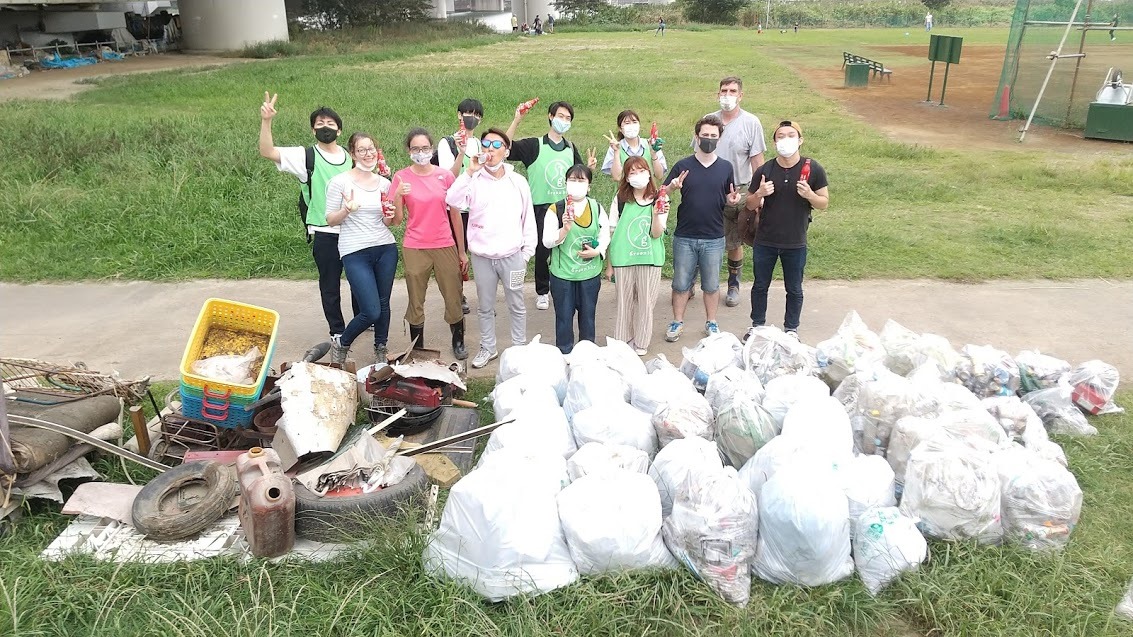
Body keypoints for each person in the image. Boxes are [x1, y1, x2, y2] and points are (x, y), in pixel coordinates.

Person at [258, 93, 362, 341]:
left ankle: (362, 319)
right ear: (313, 130)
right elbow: (267, 151)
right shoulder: (306, 156)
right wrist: (266, 121)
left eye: (330, 125)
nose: (325, 129)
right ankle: (337, 330)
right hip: (325, 231)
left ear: (339, 130)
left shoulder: (352, 158)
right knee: (330, 285)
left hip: (354, 229)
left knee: (360, 280)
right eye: (319, 125)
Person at [445, 129, 537, 369]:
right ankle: (489, 347)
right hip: (483, 258)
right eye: (486, 145)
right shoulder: (473, 180)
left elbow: (528, 219)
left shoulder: (517, 182)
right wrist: (469, 172)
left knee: (516, 304)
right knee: (485, 307)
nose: (490, 150)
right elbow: (452, 200)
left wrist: (526, 254)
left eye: (497, 145)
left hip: (513, 256)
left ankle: (518, 347)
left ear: (506, 151)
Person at [506, 101, 595, 313]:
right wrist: (517, 119)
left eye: (568, 118)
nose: (563, 121)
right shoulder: (534, 145)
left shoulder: (571, 148)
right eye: (560, 116)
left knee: (563, 246)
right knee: (541, 250)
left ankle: (560, 287)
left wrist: (589, 169)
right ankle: (542, 291)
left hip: (564, 206)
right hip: (540, 207)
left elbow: (579, 175)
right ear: (550, 116)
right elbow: (506, 148)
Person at [744, 120, 829, 340]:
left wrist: (810, 195)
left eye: (791, 135)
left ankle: (791, 329)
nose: (785, 140)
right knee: (760, 285)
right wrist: (760, 193)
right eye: (780, 136)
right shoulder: (765, 169)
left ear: (800, 140)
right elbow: (750, 204)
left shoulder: (813, 169)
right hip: (766, 239)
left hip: (795, 240)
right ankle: (757, 325)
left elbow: (824, 203)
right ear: (774, 143)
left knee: (794, 288)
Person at [390, 128, 468, 360]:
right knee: (416, 298)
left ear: (431, 149)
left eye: (425, 148)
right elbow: (396, 220)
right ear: (408, 151)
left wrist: (462, 251)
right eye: (416, 149)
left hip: (444, 243)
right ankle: (418, 346)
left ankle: (458, 339)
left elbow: (456, 216)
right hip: (415, 245)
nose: (421, 152)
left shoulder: (445, 176)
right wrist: (397, 197)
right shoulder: (401, 177)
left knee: (453, 294)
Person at [662, 115, 740, 342]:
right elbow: (662, 192)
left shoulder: (725, 167)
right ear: (697, 137)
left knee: (712, 284)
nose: (708, 139)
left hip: (714, 236)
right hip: (685, 235)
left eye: (713, 136)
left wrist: (732, 200)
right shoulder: (683, 165)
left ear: (719, 139)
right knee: (680, 283)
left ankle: (712, 322)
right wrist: (673, 187)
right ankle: (677, 321)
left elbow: (728, 194)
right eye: (704, 135)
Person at [324, 132, 399, 365]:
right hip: (354, 251)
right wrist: (346, 209)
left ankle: (381, 347)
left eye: (371, 149)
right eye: (362, 149)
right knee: (371, 310)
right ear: (353, 153)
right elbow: (330, 219)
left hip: (385, 247)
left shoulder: (385, 183)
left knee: (384, 302)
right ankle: (342, 342)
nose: (368, 154)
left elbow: (386, 222)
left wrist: (391, 214)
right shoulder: (340, 182)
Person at [708, 76, 766, 309]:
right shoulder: (709, 121)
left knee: (734, 239)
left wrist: (758, 194)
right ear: (717, 93)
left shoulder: (751, 123)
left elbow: (757, 161)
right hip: (710, 188)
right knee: (704, 237)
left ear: (741, 95)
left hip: (739, 188)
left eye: (733, 91)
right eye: (724, 90)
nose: (727, 95)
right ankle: (697, 282)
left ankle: (733, 284)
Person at [543, 165, 609, 355]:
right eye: (572, 180)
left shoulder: (595, 207)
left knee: (588, 317)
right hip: (563, 275)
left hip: (589, 275)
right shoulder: (556, 209)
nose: (576, 184)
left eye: (581, 181)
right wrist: (564, 229)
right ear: (565, 184)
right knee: (563, 318)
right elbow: (547, 242)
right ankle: (564, 355)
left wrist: (597, 251)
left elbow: (605, 233)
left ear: (589, 186)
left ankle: (586, 355)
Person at [605, 156, 668, 356]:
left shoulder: (660, 198)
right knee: (624, 302)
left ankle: (641, 341)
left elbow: (656, 233)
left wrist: (657, 214)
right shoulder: (620, 199)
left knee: (646, 303)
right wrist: (610, 264)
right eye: (632, 172)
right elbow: (612, 231)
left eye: (640, 170)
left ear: (648, 172)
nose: (637, 175)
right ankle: (622, 340)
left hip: (650, 259)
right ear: (626, 177)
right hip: (624, 259)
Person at [434, 98, 485, 315]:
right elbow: (449, 177)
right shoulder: (448, 143)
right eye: (467, 113)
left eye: (476, 114)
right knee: (457, 255)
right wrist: (461, 152)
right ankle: (458, 295)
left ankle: (486, 297)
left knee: (481, 254)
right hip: (455, 209)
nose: (471, 117)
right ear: (459, 115)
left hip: (477, 208)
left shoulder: (482, 144)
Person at [601, 109, 667, 182]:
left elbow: (659, 175)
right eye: (627, 123)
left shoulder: (650, 144)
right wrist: (616, 152)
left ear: (639, 125)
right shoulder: (615, 147)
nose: (631, 126)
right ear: (620, 128)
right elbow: (617, 177)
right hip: (625, 192)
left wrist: (654, 154)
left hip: (649, 192)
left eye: (634, 122)